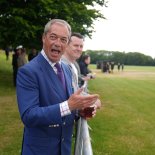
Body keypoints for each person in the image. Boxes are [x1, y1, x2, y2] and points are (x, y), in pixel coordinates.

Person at [16, 19, 99, 155]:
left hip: (63, 149)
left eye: (63, 39)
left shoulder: (66, 69)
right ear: (44, 38)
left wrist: (79, 111)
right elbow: (29, 115)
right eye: (53, 37)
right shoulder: (28, 71)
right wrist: (70, 106)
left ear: (66, 44)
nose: (57, 43)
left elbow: (66, 105)